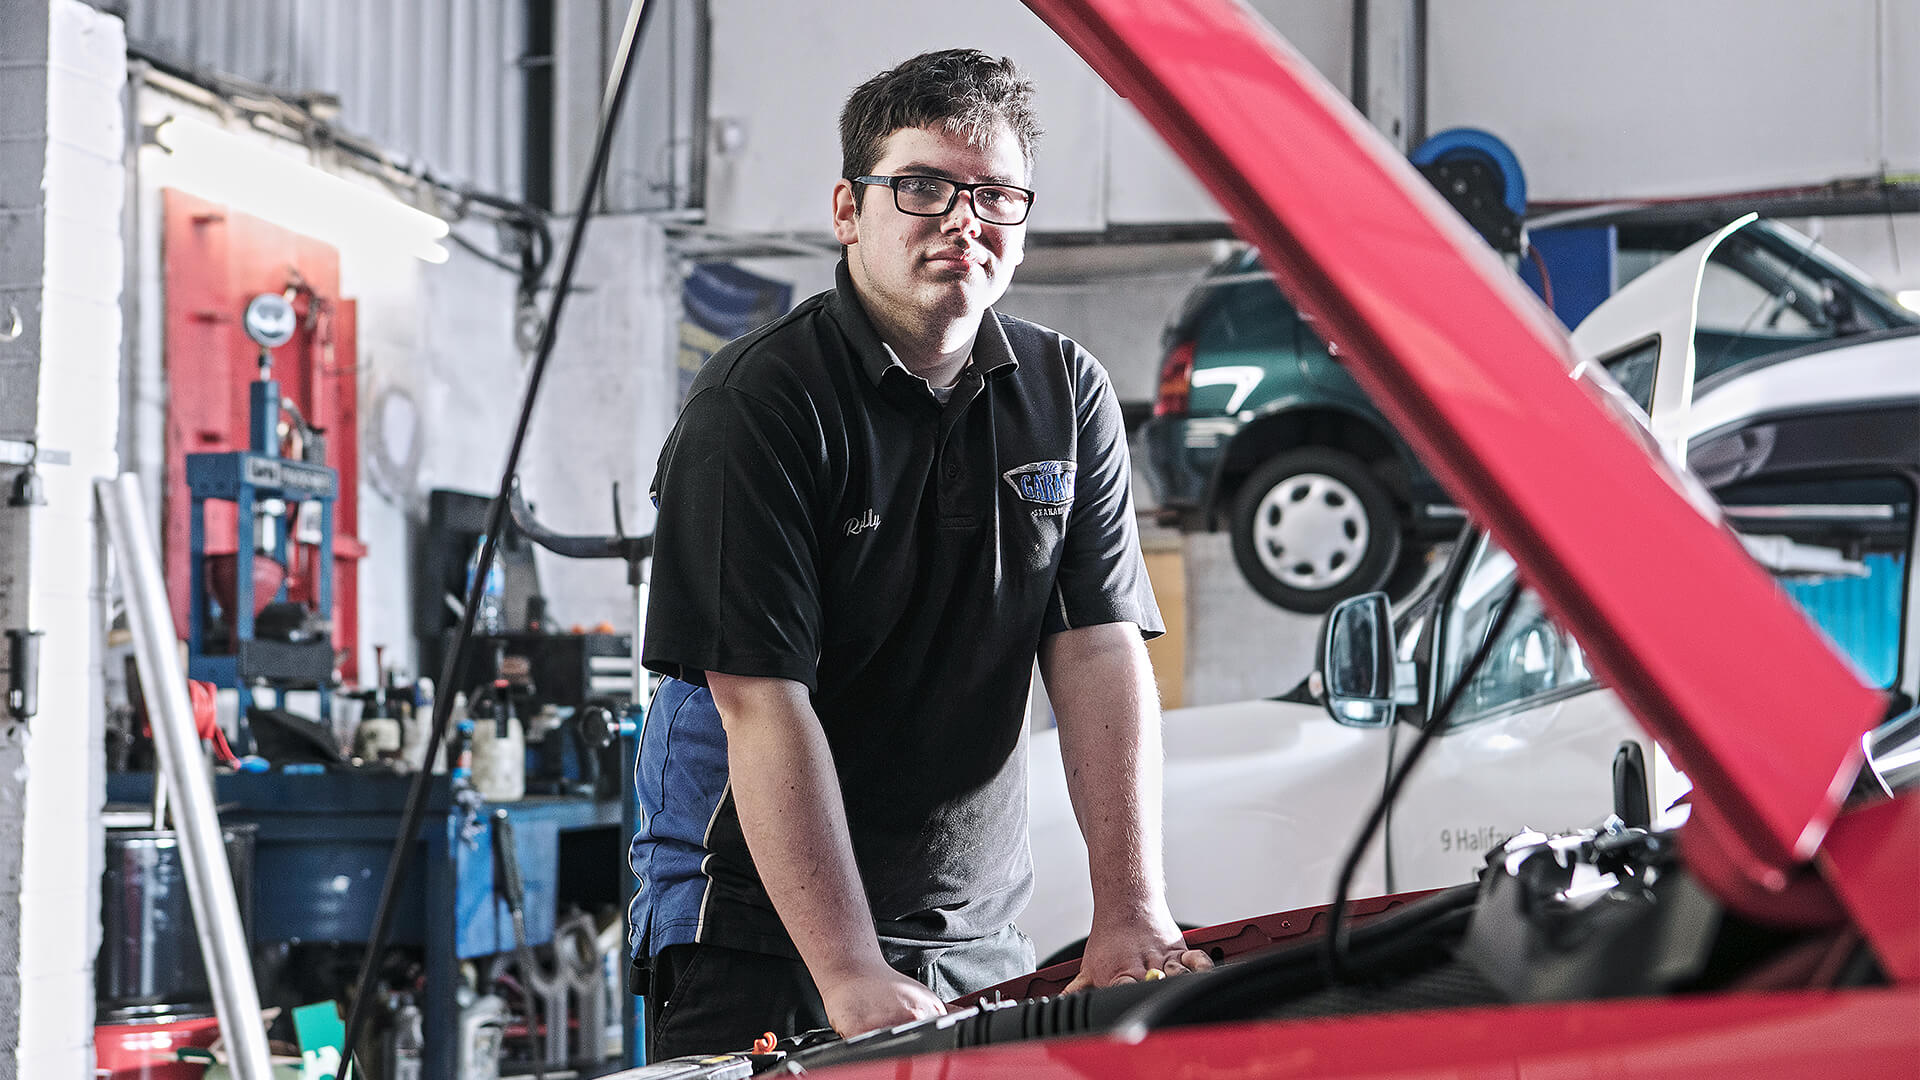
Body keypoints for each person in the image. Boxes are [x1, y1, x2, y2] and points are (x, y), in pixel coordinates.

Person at [630, 47, 1211, 1061]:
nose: (962, 218)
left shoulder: (1063, 392)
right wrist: (849, 970)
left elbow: (1098, 653)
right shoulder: (759, 407)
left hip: (975, 937)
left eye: (994, 193)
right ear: (850, 211)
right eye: (924, 186)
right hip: (764, 931)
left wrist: (1131, 908)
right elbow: (761, 698)